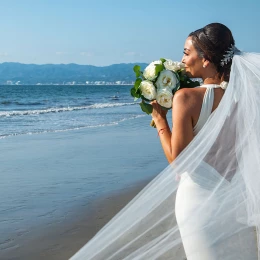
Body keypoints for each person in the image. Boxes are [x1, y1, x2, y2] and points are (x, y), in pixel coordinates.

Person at [71, 23, 260, 259]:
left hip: (199, 201)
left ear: (206, 59)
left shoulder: (186, 97)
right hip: (231, 203)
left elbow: (180, 162)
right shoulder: (244, 99)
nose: (181, 60)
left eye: (186, 53)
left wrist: (160, 119)